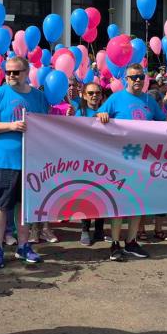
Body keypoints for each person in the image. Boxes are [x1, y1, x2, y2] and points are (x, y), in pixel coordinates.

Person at [96, 63, 167, 262]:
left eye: (140, 77)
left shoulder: (149, 100)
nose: (137, 80)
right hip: (119, 160)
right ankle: (115, 244)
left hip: (143, 161)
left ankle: (131, 242)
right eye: (133, 77)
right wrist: (101, 114)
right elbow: (98, 118)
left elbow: (163, 121)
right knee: (119, 205)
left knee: (138, 203)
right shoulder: (116, 98)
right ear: (125, 79)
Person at [0, 56, 50, 268]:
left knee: (24, 206)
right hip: (5, 161)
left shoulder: (39, 97)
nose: (11, 75)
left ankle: (23, 246)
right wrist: (11, 126)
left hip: (31, 161)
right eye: (8, 72)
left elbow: (47, 124)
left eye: (16, 72)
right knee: (0, 205)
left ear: (26, 72)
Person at [75, 81, 107, 245]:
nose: (94, 96)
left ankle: (100, 229)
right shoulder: (79, 113)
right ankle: (85, 229)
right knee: (86, 196)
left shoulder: (108, 111)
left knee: (104, 194)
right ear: (83, 95)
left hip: (105, 161)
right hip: (85, 162)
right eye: (90, 93)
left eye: (97, 93)